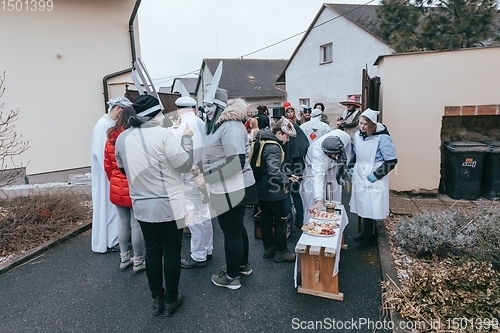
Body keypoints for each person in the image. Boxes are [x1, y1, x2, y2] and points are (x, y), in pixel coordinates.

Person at [115, 94, 194, 317]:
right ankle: (171, 299)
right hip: (169, 204)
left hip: (141, 204)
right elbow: (184, 165)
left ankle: (157, 299)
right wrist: (187, 141)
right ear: (154, 114)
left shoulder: (123, 138)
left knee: (152, 251)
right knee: (171, 252)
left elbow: (122, 169)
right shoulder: (163, 134)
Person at [196, 90, 257, 290]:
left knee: (231, 232)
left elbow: (236, 163)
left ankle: (232, 277)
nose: (206, 109)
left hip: (232, 188)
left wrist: (208, 177)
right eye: (205, 105)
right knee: (236, 229)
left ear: (222, 106)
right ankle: (241, 265)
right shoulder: (221, 125)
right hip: (228, 187)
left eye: (211, 105)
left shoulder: (230, 126)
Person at [172, 96, 213, 269]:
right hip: (204, 177)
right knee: (205, 215)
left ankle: (198, 255)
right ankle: (208, 248)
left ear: (178, 109)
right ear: (194, 108)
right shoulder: (203, 124)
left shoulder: (178, 128)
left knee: (193, 218)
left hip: (188, 180)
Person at [104, 105, 145, 273]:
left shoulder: (110, 138)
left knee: (122, 222)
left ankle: (123, 258)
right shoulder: (134, 137)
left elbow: (107, 165)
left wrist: (114, 181)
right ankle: (138, 261)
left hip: (116, 184)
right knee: (136, 224)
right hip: (133, 185)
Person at [349, 108, 397, 250]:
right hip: (360, 173)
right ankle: (365, 233)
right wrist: (351, 166)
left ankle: (371, 237)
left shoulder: (382, 138)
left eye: (365, 124)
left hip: (375, 176)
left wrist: (375, 175)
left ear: (372, 125)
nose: (362, 126)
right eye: (360, 123)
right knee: (363, 205)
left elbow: (392, 161)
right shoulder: (358, 135)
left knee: (372, 207)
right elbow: (356, 153)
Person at [91, 96, 132, 253]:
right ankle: (111, 240)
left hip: (111, 174)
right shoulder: (103, 125)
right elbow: (103, 153)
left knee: (115, 211)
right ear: (118, 109)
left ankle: (114, 238)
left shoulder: (108, 124)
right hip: (107, 175)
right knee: (109, 210)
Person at [254, 117, 299, 262]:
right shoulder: (275, 147)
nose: (287, 140)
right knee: (280, 219)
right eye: (286, 136)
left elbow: (267, 168)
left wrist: (286, 174)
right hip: (273, 191)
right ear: (279, 133)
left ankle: (269, 249)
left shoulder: (263, 140)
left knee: (266, 219)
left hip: (261, 188)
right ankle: (281, 251)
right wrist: (286, 180)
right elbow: (273, 170)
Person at [300, 129, 351, 223]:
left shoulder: (344, 137)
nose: (333, 157)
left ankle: (335, 221)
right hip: (312, 169)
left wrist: (344, 168)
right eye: (330, 155)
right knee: (312, 197)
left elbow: (347, 153)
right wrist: (318, 199)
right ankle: (311, 223)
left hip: (333, 167)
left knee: (335, 197)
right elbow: (318, 176)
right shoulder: (317, 152)